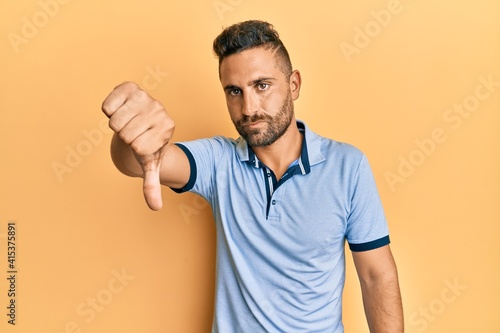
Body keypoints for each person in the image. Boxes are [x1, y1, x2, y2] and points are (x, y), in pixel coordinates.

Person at [102, 20, 403, 332]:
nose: (248, 108)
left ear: (294, 84)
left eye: (262, 86)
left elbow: (376, 276)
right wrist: (134, 136)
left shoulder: (347, 166)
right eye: (234, 91)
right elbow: (139, 163)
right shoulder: (220, 161)